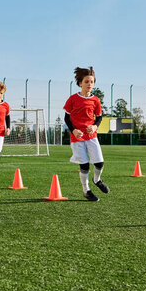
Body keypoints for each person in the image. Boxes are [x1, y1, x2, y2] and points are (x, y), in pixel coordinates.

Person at [63, 66, 109, 201]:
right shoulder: (72, 99)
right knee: (84, 165)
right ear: (80, 83)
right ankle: (86, 190)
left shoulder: (96, 100)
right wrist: (73, 130)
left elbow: (99, 117)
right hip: (77, 137)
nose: (89, 84)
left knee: (99, 163)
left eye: (92, 82)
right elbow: (67, 118)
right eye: (86, 81)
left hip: (91, 137)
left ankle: (97, 180)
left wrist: (95, 126)